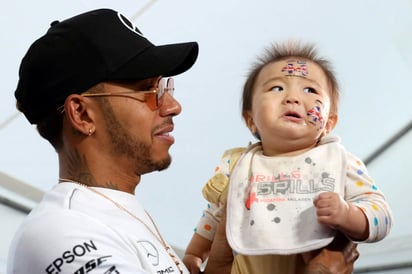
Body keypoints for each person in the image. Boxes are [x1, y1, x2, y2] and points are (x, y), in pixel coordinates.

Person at [7, 8, 200, 274]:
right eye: (149, 89)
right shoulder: (60, 229)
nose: (173, 106)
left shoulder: (107, 214)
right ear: (82, 114)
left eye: (165, 86)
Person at [183, 41, 393, 274]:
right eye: (276, 88)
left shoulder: (339, 162)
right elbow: (215, 213)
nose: (292, 98)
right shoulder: (239, 164)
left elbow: (381, 214)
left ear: (329, 123)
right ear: (250, 118)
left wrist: (347, 214)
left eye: (310, 90)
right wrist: (194, 254)